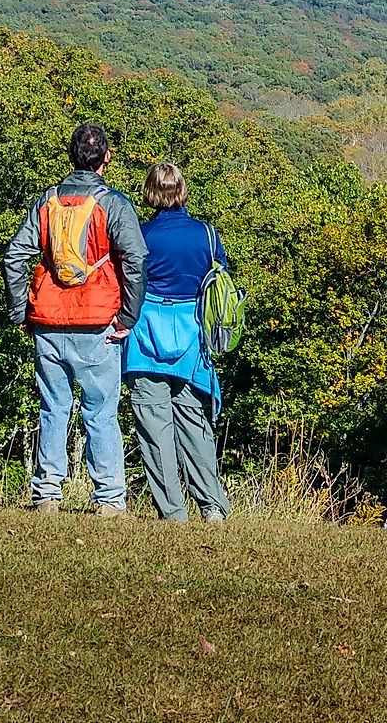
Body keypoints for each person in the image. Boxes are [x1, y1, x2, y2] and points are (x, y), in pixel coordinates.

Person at [2, 123, 146, 515]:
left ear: (70, 156)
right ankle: (109, 499)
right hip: (98, 320)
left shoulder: (47, 202)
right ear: (106, 158)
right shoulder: (112, 204)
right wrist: (128, 316)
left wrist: (20, 310)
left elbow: (15, 255)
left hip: (48, 317)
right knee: (100, 411)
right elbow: (135, 258)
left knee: (53, 406)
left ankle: (47, 492)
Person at [122, 161, 232, 523]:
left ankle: (172, 512)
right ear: (182, 190)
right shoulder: (207, 235)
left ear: (150, 193)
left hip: (144, 339)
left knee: (155, 430)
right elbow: (221, 281)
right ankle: (212, 506)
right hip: (192, 341)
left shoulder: (140, 235)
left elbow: (126, 282)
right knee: (194, 424)